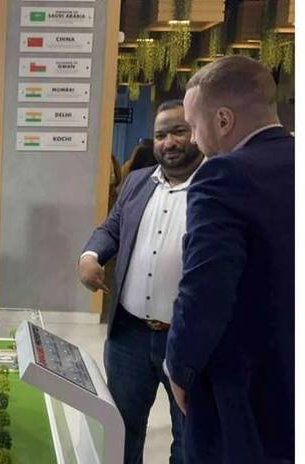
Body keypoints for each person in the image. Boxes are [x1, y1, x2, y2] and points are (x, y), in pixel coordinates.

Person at [166, 56, 294, 463]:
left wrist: (180, 368)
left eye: (193, 126)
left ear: (222, 120)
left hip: (244, 391)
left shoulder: (224, 175)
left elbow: (205, 288)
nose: (194, 140)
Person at [79, 99, 203, 464]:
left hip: (187, 339)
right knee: (121, 431)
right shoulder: (137, 182)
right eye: (161, 135)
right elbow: (111, 228)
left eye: (179, 131)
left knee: (189, 437)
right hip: (129, 335)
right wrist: (90, 256)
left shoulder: (217, 185)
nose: (169, 142)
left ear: (197, 131)